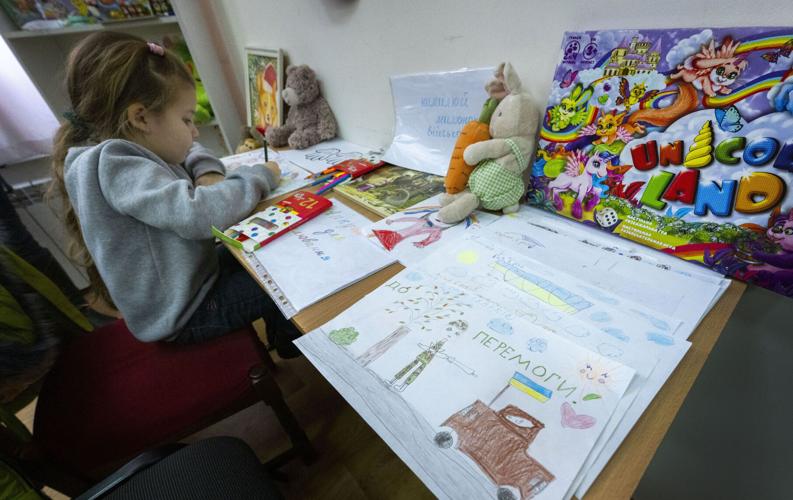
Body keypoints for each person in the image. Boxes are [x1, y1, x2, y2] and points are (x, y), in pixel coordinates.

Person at [48, 31, 302, 357]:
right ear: (140, 117)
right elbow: (197, 215)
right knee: (287, 276)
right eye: (186, 119)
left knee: (270, 251)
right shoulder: (115, 164)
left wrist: (206, 171)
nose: (194, 131)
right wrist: (260, 176)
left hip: (194, 281)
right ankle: (290, 343)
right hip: (186, 314)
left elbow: (189, 148)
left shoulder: (128, 143)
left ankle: (283, 337)